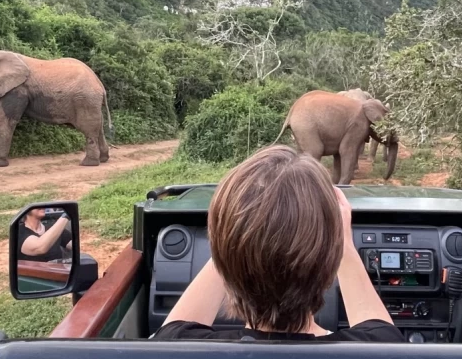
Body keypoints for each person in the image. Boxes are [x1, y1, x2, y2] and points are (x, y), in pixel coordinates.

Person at [151, 145, 404, 342]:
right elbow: (381, 332)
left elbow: (173, 330)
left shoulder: (179, 351)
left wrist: (231, 234)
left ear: (221, 264)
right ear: (330, 272)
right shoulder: (379, 352)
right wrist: (344, 245)